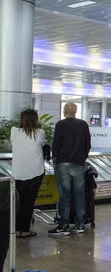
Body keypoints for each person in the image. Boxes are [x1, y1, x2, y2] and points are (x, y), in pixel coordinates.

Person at [49, 102, 91, 236]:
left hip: (63, 163)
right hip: (78, 163)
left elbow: (56, 143)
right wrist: (83, 158)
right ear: (76, 111)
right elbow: (87, 144)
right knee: (79, 194)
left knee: (65, 195)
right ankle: (80, 224)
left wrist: (55, 161)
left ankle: (64, 225)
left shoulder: (60, 125)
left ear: (64, 111)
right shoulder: (83, 124)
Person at [10, 109, 46, 238]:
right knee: (28, 203)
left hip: (18, 173)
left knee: (17, 203)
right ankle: (24, 229)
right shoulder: (40, 133)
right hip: (36, 172)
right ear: (35, 119)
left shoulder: (14, 132)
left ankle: (14, 229)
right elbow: (43, 144)